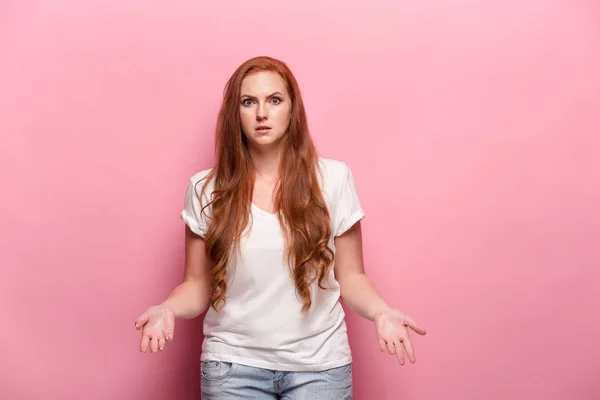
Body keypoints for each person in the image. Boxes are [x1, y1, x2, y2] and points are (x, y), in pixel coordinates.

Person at [134, 56, 427, 399]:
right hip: (232, 367)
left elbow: (351, 277)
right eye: (249, 102)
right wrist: (166, 308)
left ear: (292, 108)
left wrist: (382, 312)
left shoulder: (332, 179)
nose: (262, 113)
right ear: (235, 113)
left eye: (274, 100)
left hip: (320, 368)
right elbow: (197, 284)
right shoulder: (204, 189)